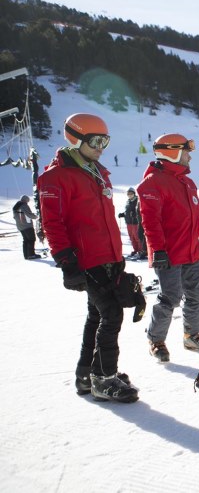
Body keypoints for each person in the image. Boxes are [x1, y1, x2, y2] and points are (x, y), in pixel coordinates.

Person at [38, 113, 138, 403]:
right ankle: (103, 378)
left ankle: (87, 374)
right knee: (111, 315)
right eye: (95, 141)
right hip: (87, 260)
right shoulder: (55, 177)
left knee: (97, 315)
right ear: (76, 138)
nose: (101, 147)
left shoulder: (97, 171)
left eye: (105, 140)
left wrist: (118, 258)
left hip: (109, 257)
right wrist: (68, 263)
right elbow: (52, 224)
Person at [138, 133, 199, 363]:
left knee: (195, 294)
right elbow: (150, 221)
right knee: (169, 297)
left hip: (191, 251)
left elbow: (197, 212)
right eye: (186, 152)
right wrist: (158, 249)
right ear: (173, 152)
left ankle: (191, 334)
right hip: (168, 255)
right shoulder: (152, 184)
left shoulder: (188, 182)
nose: (190, 157)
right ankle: (156, 338)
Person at [118, 187, 144, 258]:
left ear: (134, 194)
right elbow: (127, 211)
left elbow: (140, 211)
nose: (129, 195)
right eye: (128, 194)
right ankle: (135, 250)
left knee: (137, 236)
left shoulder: (137, 201)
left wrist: (134, 214)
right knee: (131, 237)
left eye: (131, 193)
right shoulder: (128, 201)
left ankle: (141, 251)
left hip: (135, 222)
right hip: (129, 222)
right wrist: (123, 214)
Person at [12, 195, 40, 260]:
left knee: (26, 240)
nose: (27, 202)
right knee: (31, 239)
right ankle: (31, 255)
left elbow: (15, 217)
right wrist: (36, 217)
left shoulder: (16, 206)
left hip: (20, 226)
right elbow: (29, 214)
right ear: (26, 200)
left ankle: (26, 255)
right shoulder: (24, 205)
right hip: (27, 226)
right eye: (27, 201)